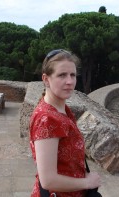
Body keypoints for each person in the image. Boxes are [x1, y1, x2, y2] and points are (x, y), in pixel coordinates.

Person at [29, 49, 101, 196]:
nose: (69, 81)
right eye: (62, 75)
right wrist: (87, 183)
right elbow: (48, 181)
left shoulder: (62, 109)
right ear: (46, 79)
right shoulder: (47, 119)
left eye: (72, 75)